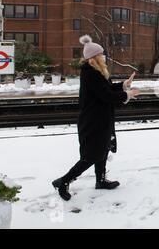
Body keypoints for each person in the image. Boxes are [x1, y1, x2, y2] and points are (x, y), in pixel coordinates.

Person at [52, 35, 140, 201]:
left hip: (101, 120)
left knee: (103, 150)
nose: (104, 57)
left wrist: (123, 85)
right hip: (93, 123)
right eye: (102, 55)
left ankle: (100, 180)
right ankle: (63, 181)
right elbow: (106, 95)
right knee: (90, 156)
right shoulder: (91, 74)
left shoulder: (97, 72)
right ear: (95, 58)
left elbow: (107, 89)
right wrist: (126, 94)